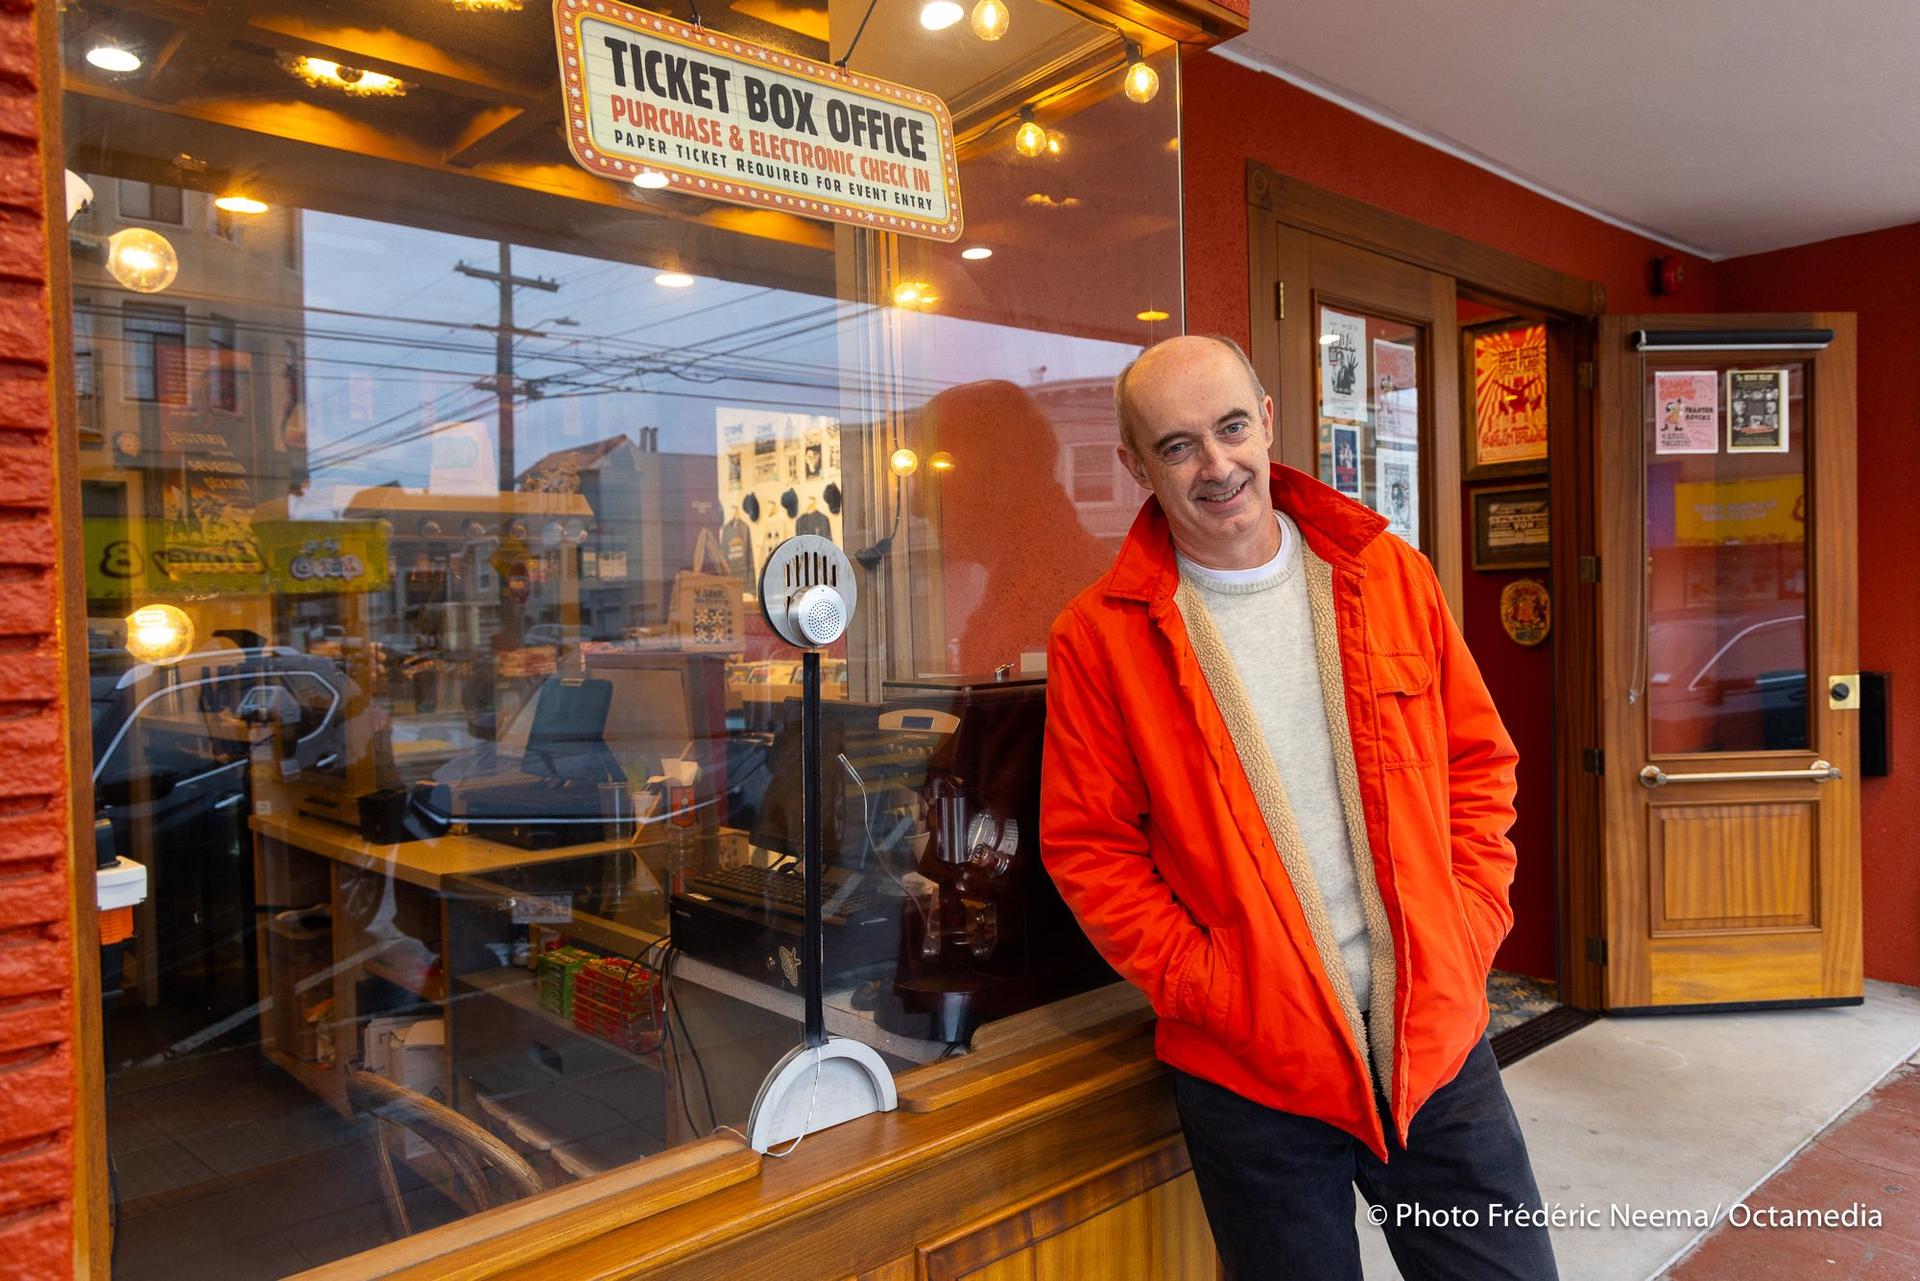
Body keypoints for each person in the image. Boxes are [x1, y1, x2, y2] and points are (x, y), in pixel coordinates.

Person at [1040, 335, 1557, 1280]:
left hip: (1435, 1042)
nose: (1217, 464)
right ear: (1136, 465)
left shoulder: (1388, 573)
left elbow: (1479, 764)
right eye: (1178, 446)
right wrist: (1213, 989)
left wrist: (1467, 925)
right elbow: (1090, 848)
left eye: (1232, 427)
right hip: (1256, 1074)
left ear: (1269, 421)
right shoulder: (1098, 638)